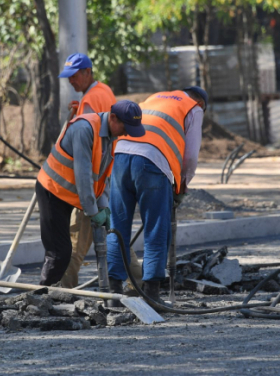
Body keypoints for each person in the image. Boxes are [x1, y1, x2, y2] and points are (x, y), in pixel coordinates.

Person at [106, 86, 207, 306]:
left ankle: (112, 294)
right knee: (156, 227)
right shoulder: (194, 108)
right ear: (201, 102)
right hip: (151, 162)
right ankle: (152, 294)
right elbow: (190, 157)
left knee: (117, 226)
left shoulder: (155, 97)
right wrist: (181, 187)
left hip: (121, 156)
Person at [35, 100, 145, 286]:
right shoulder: (84, 129)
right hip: (52, 190)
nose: (126, 133)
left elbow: (102, 176)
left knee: (66, 251)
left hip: (71, 194)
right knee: (59, 252)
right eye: (125, 127)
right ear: (113, 118)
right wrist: (93, 212)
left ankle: (55, 295)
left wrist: (103, 207)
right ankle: (42, 297)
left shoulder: (111, 136)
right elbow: (83, 176)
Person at [56, 52, 122, 289]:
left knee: (74, 244)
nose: (70, 81)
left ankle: (63, 291)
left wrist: (87, 198)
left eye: (74, 76)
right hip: (103, 177)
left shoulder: (91, 100)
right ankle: (138, 285)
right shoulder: (103, 91)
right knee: (113, 237)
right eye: (68, 77)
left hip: (90, 184)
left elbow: (83, 150)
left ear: (87, 72)